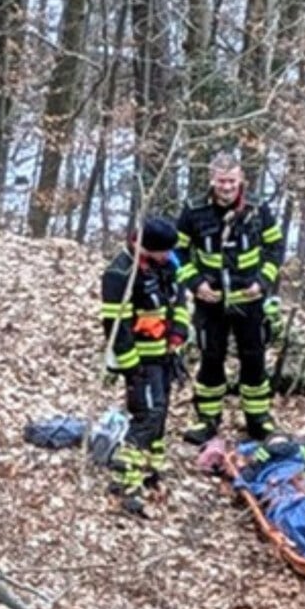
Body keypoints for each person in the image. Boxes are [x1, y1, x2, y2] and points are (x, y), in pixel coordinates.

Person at [175, 153, 285, 444]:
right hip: (210, 301)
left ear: (241, 181)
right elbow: (177, 251)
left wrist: (262, 282)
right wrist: (195, 283)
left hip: (250, 301)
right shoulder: (193, 210)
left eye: (232, 181)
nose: (226, 187)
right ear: (212, 180)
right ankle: (208, 419)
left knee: (254, 359)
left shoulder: (259, 210)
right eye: (221, 181)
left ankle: (258, 418)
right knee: (211, 358)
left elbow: (275, 248)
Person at [100, 216, 191, 517]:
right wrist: (131, 367)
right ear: (145, 247)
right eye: (162, 252)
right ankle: (126, 484)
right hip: (140, 361)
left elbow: (179, 301)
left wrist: (178, 333)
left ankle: (151, 471)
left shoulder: (168, 264)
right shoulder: (119, 273)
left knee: (161, 415)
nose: (168, 256)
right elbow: (115, 325)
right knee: (147, 416)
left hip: (165, 356)